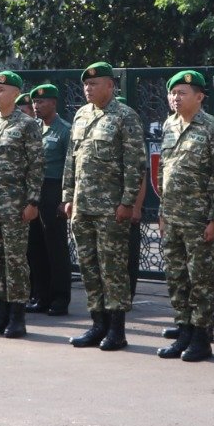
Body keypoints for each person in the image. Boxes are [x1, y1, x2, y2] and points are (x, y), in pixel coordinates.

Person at [63, 62, 145, 352]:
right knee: (89, 268)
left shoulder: (125, 116)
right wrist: (67, 195)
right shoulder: (81, 115)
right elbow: (72, 159)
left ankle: (116, 330)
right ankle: (97, 324)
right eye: (86, 84)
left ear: (110, 86)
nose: (88, 89)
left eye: (94, 84)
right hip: (82, 206)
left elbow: (135, 164)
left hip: (111, 208)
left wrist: (127, 202)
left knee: (113, 269)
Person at [156, 70, 214, 362]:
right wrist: (162, 212)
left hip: (199, 219)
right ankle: (183, 330)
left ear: (199, 97)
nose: (176, 98)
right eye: (173, 93)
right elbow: (164, 170)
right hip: (172, 216)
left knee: (200, 280)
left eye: (183, 93)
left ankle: (201, 337)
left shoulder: (212, 129)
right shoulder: (169, 125)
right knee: (176, 278)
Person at [0, 71, 45, 338]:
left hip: (16, 205)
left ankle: (17, 317)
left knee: (15, 261)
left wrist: (33, 201)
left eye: (2, 89)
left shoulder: (27, 125)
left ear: (15, 94)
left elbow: (36, 165)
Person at [28, 83, 73, 316]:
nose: (37, 106)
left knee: (55, 247)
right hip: (35, 190)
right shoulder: (33, 128)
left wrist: (65, 198)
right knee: (35, 246)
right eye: (35, 102)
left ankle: (59, 298)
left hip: (54, 189)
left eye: (42, 102)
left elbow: (70, 167)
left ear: (53, 103)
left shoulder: (64, 130)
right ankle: (40, 295)